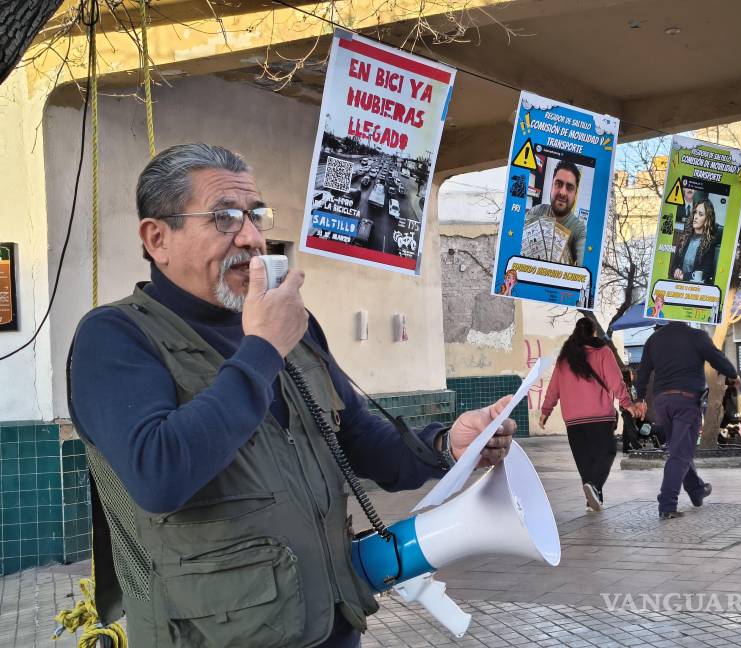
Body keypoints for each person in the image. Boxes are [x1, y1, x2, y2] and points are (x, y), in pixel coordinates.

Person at [67, 144, 517, 648]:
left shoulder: (291, 328)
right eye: (224, 218)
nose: (253, 238)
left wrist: (448, 447)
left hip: (329, 624)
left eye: (257, 216)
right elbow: (159, 474)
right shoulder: (115, 338)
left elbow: (359, 438)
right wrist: (261, 349)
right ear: (157, 238)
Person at [633, 321, 737, 519]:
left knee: (679, 446)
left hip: (662, 402)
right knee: (680, 453)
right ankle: (667, 503)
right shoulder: (697, 336)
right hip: (686, 401)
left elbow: (643, 372)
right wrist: (733, 374)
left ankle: (696, 490)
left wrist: (639, 398)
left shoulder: (653, 340)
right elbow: (717, 359)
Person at [539, 318, 635, 512]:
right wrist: (627, 403)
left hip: (573, 420)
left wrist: (545, 412)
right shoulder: (603, 352)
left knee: (585, 459)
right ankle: (595, 489)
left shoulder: (564, 359)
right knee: (607, 452)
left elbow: (554, 388)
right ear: (593, 333)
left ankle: (592, 500)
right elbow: (616, 382)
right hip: (599, 416)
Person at [521, 159, 586, 266]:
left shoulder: (579, 230)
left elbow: (584, 269)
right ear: (551, 186)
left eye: (569, 187)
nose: (562, 192)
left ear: (575, 193)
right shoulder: (537, 211)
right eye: (558, 184)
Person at [669, 198, 719, 284]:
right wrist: (676, 270)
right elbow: (674, 264)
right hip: (677, 284)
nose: (695, 217)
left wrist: (684, 276)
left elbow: (705, 273)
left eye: (700, 214)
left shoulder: (710, 243)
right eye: (695, 212)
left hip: (695, 289)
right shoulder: (684, 238)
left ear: (707, 219)